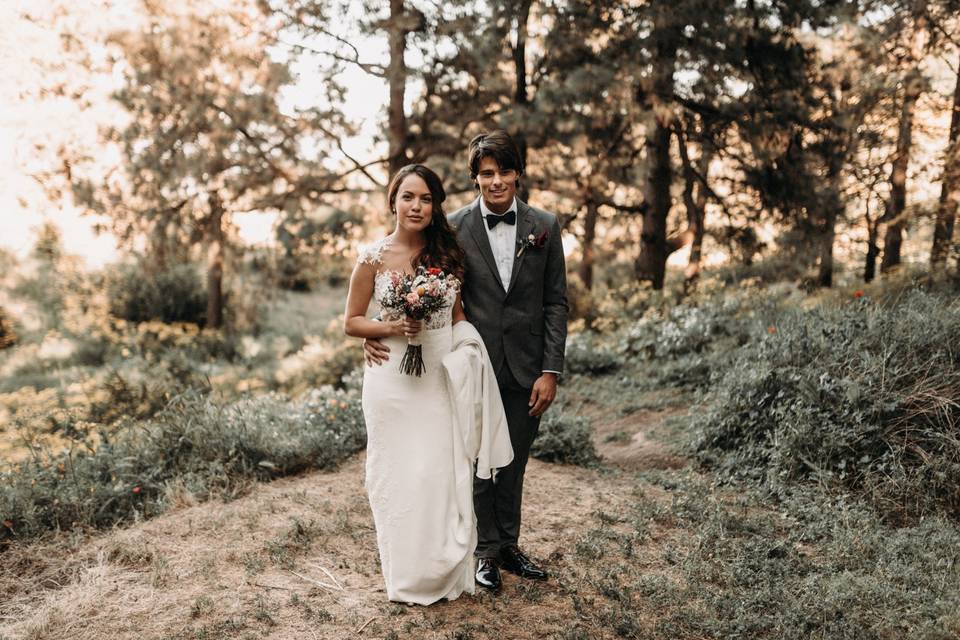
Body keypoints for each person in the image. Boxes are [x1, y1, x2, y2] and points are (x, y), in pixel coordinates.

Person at [365, 131, 569, 592]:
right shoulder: (452, 227)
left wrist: (550, 370)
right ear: (475, 178)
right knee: (475, 457)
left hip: (527, 365)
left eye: (504, 171)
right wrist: (378, 331)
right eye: (486, 173)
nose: (496, 181)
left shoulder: (545, 227)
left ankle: (509, 545)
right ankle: (484, 552)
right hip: (468, 362)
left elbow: (556, 302)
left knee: (513, 458)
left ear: (518, 173)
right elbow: (409, 279)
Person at [344, 163, 513, 605]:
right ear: (393, 201)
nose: (416, 206)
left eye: (425, 199)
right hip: (390, 382)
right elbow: (351, 322)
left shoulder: (448, 253)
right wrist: (388, 329)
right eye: (408, 197)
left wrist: (467, 353)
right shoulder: (372, 257)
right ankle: (404, 576)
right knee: (396, 474)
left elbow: (457, 317)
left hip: (438, 377)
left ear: (435, 205)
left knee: (437, 472)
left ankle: (443, 568)